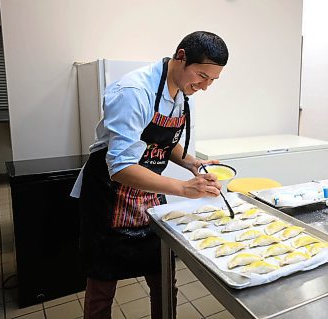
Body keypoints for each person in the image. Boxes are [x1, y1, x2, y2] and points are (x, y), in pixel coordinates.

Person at [71, 31, 229, 319]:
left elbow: (160, 142)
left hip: (146, 194)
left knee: (164, 278)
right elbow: (120, 167)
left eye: (212, 81)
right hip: (109, 194)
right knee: (102, 286)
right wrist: (183, 188)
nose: (205, 87)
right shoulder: (134, 91)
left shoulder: (181, 90)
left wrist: (191, 163)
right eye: (202, 76)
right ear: (181, 57)